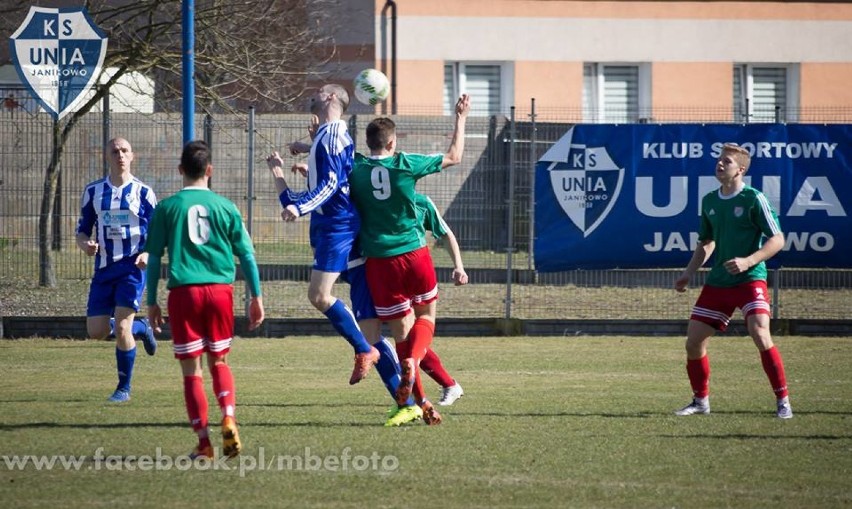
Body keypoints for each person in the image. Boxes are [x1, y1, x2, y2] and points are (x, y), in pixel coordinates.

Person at [348, 94, 472, 425]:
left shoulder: (355, 169)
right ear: (393, 142)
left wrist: (306, 156)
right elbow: (454, 156)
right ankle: (415, 366)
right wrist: (460, 117)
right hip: (414, 254)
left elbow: (331, 175)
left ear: (369, 142)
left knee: (400, 333)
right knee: (426, 319)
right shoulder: (405, 164)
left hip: (379, 262)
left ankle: (418, 397)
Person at [144, 140, 265, 459]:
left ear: (180, 170)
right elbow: (248, 256)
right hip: (220, 292)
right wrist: (256, 296)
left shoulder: (167, 208)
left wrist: (151, 301)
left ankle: (204, 443)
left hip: (185, 292)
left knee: (191, 370)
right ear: (210, 171)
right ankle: (227, 415)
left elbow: (154, 259)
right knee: (219, 361)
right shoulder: (226, 208)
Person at [265, 83, 380, 386]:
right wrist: (309, 149)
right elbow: (340, 167)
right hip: (332, 224)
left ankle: (365, 349)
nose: (312, 94)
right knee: (330, 298)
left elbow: (329, 185)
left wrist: (300, 207)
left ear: (330, 97)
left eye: (318, 91)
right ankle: (399, 388)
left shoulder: (329, 136)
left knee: (319, 295)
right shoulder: (331, 135)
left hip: (336, 225)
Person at [673, 143, 792, 419]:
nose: (719, 165)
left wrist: (749, 261)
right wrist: (688, 273)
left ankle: (783, 400)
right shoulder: (710, 201)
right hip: (719, 282)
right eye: (718, 160)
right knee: (693, 343)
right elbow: (706, 242)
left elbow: (778, 239)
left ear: (740, 169)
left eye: (726, 162)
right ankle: (700, 402)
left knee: (760, 333)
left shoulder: (754, 199)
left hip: (751, 280)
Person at [75, 137, 158, 403]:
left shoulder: (144, 192)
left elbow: (157, 233)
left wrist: (148, 252)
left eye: (124, 151)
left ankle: (123, 388)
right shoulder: (93, 191)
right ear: (107, 156)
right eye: (115, 151)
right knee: (96, 332)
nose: (120, 155)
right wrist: (85, 245)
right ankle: (141, 328)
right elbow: (82, 231)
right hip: (103, 270)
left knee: (122, 328)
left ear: (132, 156)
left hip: (132, 268)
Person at [415, 193, 467, 406]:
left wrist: (459, 266)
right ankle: (448, 385)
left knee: (409, 339)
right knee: (407, 339)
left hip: (414, 273)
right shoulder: (372, 196)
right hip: (383, 273)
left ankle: (443, 386)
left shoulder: (421, 202)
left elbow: (445, 234)